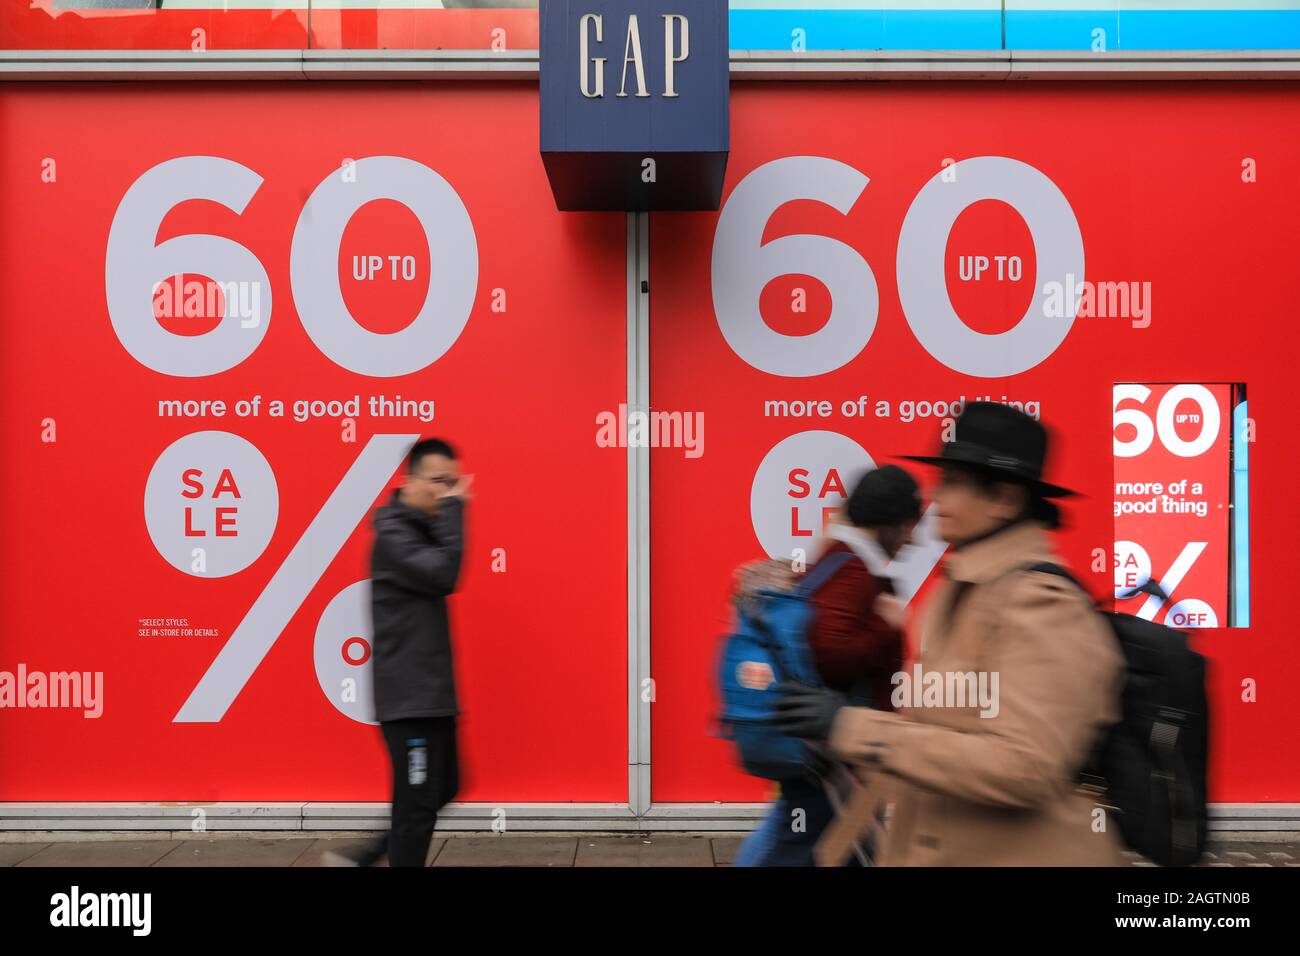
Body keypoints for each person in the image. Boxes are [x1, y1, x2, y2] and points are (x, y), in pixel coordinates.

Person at [774, 403, 1126, 866]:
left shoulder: (1043, 604)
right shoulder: (965, 588)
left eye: (954, 483)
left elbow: (1025, 766)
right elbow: (937, 738)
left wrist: (852, 727)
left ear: (1005, 499)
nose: (935, 497)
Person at [734, 465, 921, 867]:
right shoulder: (852, 569)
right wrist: (887, 629)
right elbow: (829, 652)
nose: (912, 538)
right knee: (799, 841)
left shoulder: (840, 559)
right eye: (908, 525)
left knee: (820, 839)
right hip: (833, 748)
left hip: (831, 746)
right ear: (889, 522)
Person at [325, 438, 471, 867]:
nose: (446, 492)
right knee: (417, 808)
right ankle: (369, 858)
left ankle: (363, 857)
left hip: (432, 697)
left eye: (453, 482)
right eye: (437, 482)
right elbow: (446, 573)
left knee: (444, 787)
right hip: (410, 703)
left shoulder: (420, 532)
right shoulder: (393, 536)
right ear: (409, 480)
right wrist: (457, 511)